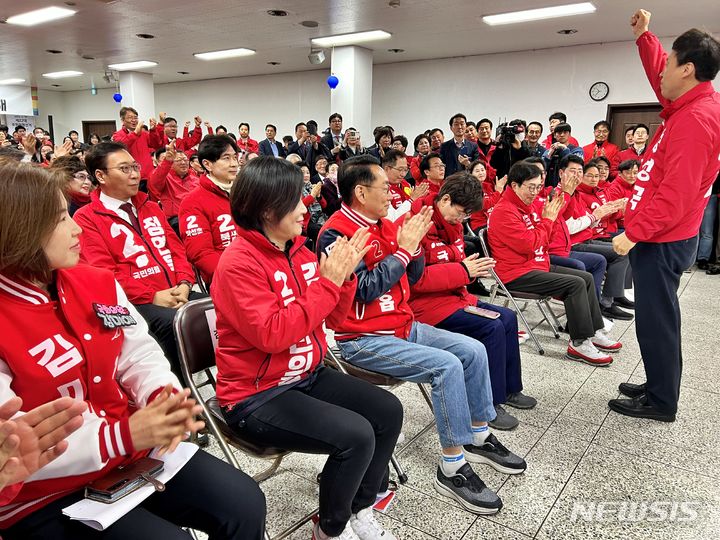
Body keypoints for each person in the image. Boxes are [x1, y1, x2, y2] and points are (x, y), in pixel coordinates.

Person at [0, 163, 266, 539]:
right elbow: (13, 445)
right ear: (21, 230)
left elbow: (137, 352)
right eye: (61, 219)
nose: (76, 227)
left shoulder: (94, 282)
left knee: (243, 500)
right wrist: (121, 436)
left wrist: (162, 398)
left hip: (128, 452)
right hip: (46, 489)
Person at [318, 156, 527, 516]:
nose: (392, 192)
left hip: (402, 326)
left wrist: (411, 248)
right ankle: (452, 467)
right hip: (362, 338)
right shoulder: (334, 233)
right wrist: (403, 250)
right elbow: (364, 289)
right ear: (360, 191)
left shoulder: (384, 223)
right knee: (446, 366)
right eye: (385, 187)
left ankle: (478, 434)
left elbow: (411, 277)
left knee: (474, 351)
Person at [212, 156, 402, 540]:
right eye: (295, 200)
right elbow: (273, 335)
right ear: (267, 209)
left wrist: (344, 279)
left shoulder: (297, 251)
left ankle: (358, 509)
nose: (305, 208)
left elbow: (330, 320)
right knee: (356, 435)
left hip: (304, 374)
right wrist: (329, 284)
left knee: (387, 411)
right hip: (257, 394)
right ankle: (330, 529)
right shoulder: (237, 263)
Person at [610, 10, 720, 422]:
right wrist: (645, 37)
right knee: (655, 318)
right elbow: (660, 70)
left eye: (672, 62)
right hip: (663, 233)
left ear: (688, 70)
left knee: (657, 321)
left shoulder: (696, 121)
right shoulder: (693, 99)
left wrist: (633, 233)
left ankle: (661, 400)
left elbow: (676, 195)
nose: (663, 72)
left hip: (661, 236)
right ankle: (659, 383)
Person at [409, 173, 537, 431]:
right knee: (491, 327)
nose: (464, 219)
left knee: (508, 318)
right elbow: (416, 279)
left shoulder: (450, 223)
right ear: (444, 200)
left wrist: (470, 269)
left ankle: (509, 388)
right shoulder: (416, 224)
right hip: (426, 307)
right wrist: (464, 271)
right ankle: (487, 404)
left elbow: (455, 261)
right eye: (462, 212)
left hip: (453, 297)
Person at [73, 142, 202, 376]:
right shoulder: (87, 218)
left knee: (217, 311)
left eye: (134, 166)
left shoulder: (150, 207)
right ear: (100, 176)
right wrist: (152, 296)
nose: (134, 174)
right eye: (124, 169)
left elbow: (176, 250)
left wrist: (184, 284)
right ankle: (183, 401)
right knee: (175, 326)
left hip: (177, 291)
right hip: (135, 302)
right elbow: (104, 273)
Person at [488, 161, 621, 366]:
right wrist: (547, 222)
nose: (535, 192)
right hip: (515, 273)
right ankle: (578, 343)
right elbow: (531, 245)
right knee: (575, 283)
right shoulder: (504, 211)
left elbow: (552, 219)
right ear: (514, 186)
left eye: (538, 187)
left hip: (533, 265)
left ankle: (592, 332)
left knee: (584, 277)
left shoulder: (525, 206)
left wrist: (565, 197)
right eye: (530, 187)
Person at [569, 160, 634, 320]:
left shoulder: (598, 192)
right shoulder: (576, 194)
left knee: (629, 245)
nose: (593, 179)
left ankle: (613, 295)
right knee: (621, 252)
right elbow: (577, 225)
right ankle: (606, 302)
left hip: (592, 234)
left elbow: (604, 218)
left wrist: (615, 209)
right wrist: (598, 214)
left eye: (596, 176)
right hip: (582, 239)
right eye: (589, 175)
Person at [179, 135, 240, 285]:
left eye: (235, 157)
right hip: (226, 277)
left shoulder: (244, 193)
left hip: (257, 269)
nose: (234, 164)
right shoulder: (192, 202)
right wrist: (237, 276)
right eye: (226, 158)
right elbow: (201, 254)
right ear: (207, 164)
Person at [148, 141, 200, 228]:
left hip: (196, 217)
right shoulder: (165, 177)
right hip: (175, 221)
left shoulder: (196, 179)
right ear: (171, 162)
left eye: (185, 160)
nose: (183, 163)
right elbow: (155, 182)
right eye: (179, 160)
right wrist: (167, 161)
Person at [111, 106, 160, 178]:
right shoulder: (117, 135)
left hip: (148, 175)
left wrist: (153, 131)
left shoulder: (143, 133)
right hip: (130, 176)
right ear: (122, 120)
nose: (133, 120)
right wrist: (135, 133)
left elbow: (156, 144)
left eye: (135, 117)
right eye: (130, 117)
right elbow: (122, 146)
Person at [381, 149, 428, 221]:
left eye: (405, 170)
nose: (403, 174)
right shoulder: (380, 188)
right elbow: (392, 219)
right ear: (387, 169)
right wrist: (412, 200)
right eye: (400, 169)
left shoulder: (405, 184)